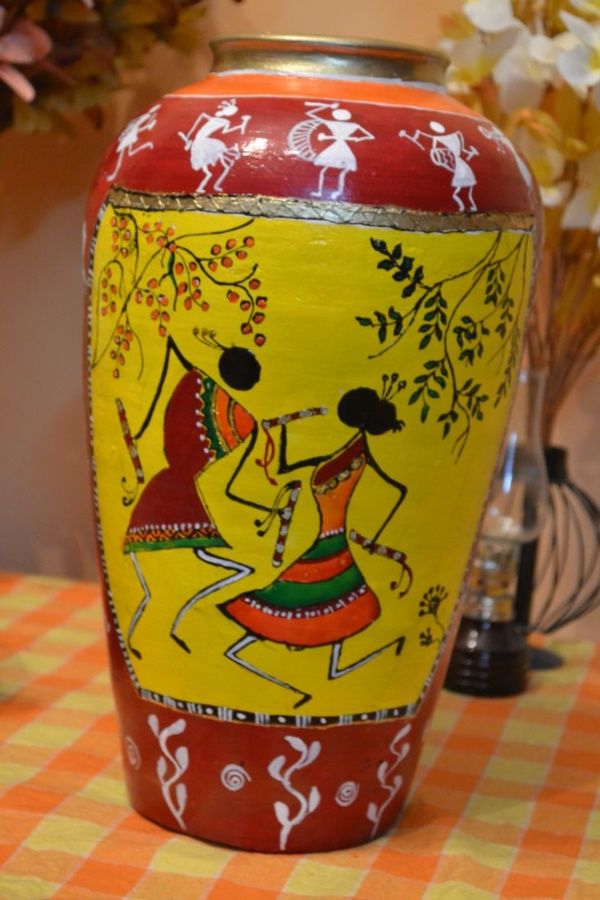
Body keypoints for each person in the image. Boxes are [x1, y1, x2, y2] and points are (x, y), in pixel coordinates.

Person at [220, 379, 412, 708]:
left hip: (328, 547)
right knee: (319, 616)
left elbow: (397, 491)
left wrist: (372, 541)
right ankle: (330, 674)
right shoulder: (346, 453)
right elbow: (285, 468)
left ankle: (299, 688)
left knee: (274, 614)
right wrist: (281, 427)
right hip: (328, 546)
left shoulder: (351, 456)